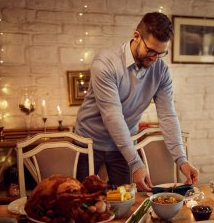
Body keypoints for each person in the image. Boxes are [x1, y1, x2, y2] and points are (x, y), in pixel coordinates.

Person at [75, 12, 199, 192]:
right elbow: (113, 116)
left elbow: (168, 115)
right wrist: (135, 162)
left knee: (128, 201)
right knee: (84, 202)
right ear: (136, 37)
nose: (154, 58)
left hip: (124, 145)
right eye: (150, 51)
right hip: (89, 142)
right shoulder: (105, 63)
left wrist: (182, 160)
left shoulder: (161, 71)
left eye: (160, 53)